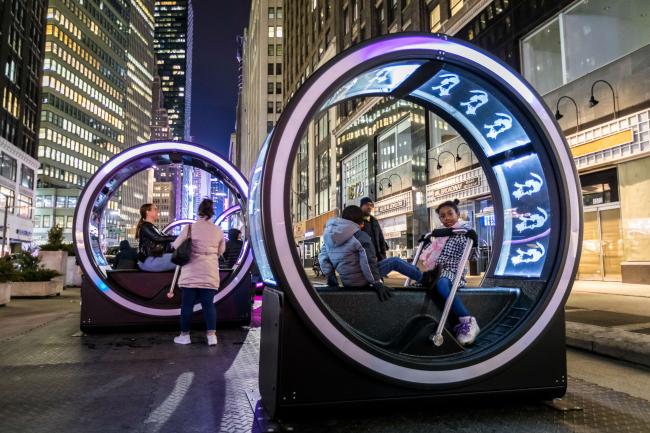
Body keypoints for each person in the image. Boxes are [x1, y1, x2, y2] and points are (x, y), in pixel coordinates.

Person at [420, 199, 480, 345]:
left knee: (441, 284)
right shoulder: (441, 234)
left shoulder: (464, 232)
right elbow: (433, 254)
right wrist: (426, 242)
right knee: (421, 283)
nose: (446, 218)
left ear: (457, 214)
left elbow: (473, 257)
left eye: (450, 214)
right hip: (436, 271)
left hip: (454, 271)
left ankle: (468, 321)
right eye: (442, 216)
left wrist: (474, 241)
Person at [172, 199, 226, 346]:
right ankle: (211, 336)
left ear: (199, 212)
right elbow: (221, 251)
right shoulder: (218, 230)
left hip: (191, 271)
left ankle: (185, 336)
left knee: (187, 305)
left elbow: (176, 245)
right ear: (212, 212)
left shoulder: (189, 228)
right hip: (209, 271)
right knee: (209, 305)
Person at [135, 203, 176, 272]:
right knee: (183, 258)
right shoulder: (145, 226)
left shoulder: (152, 227)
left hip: (154, 258)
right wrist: (179, 237)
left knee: (182, 257)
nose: (158, 211)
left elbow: (165, 237)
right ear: (148, 212)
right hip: (149, 260)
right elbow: (158, 238)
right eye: (155, 209)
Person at [360, 197, 387, 262]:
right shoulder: (357, 220)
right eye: (367, 205)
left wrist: (383, 256)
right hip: (365, 258)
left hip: (378, 258)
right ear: (361, 206)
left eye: (371, 205)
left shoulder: (374, 220)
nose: (369, 207)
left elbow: (381, 239)